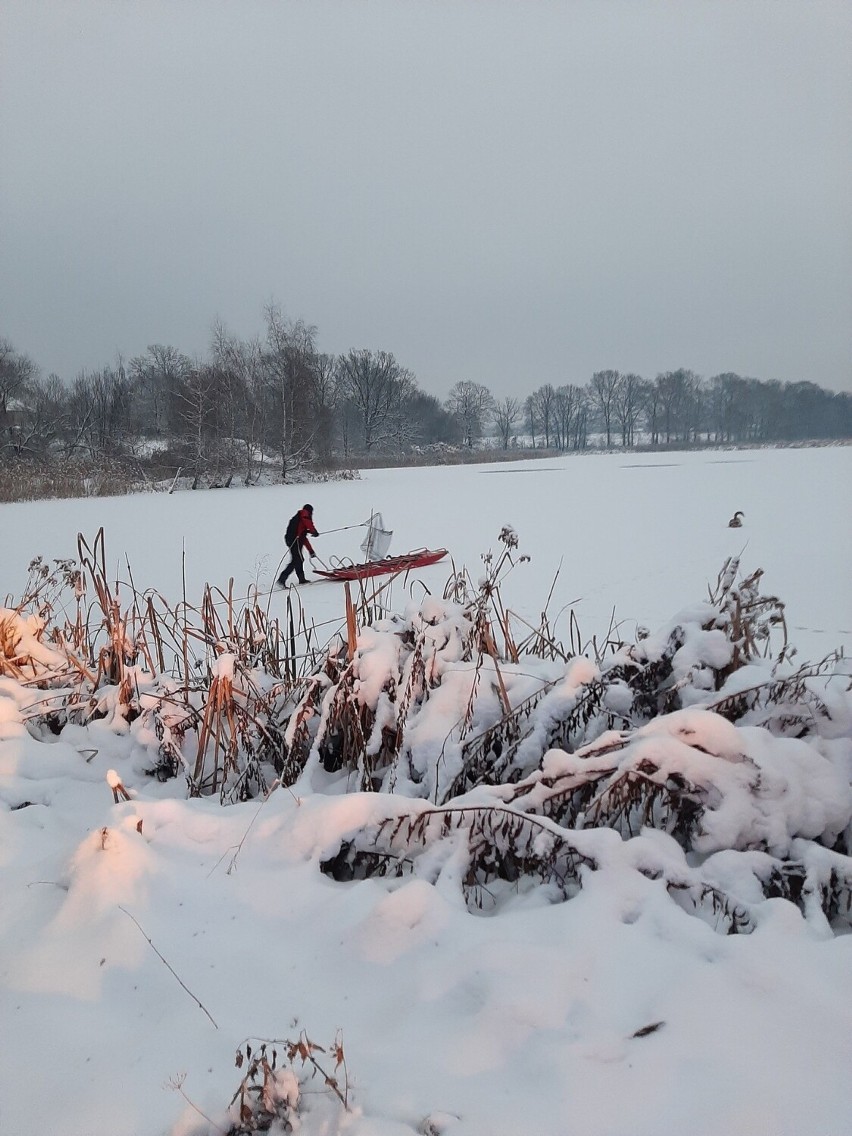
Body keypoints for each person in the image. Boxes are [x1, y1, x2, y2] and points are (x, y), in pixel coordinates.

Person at [278, 504, 319, 587]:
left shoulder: (301, 524)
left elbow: (303, 538)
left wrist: (311, 550)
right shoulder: (304, 514)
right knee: (296, 560)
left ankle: (301, 579)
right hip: (294, 540)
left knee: (299, 559)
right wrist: (313, 531)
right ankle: (282, 579)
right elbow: (307, 522)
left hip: (294, 540)